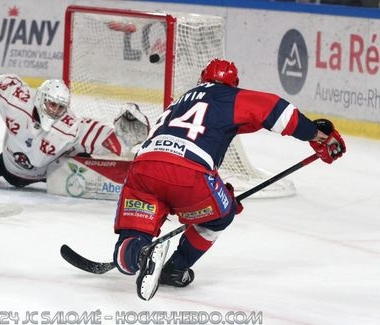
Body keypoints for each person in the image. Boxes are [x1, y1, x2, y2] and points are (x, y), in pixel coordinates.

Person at [112, 58, 346, 300]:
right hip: (189, 173)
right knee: (220, 217)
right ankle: (175, 269)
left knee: (129, 241)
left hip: (143, 170)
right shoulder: (230, 96)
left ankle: (139, 255)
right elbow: (279, 111)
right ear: (233, 84)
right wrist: (318, 136)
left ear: (202, 78)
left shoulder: (178, 102)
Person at [0, 74, 149, 188]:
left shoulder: (71, 126)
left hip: (50, 176)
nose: (56, 111)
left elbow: (111, 140)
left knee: (79, 154)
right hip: (8, 168)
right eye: (51, 104)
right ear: (40, 98)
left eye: (61, 107)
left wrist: (130, 136)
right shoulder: (17, 101)